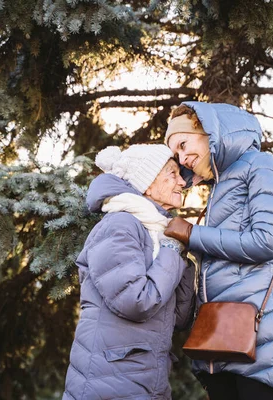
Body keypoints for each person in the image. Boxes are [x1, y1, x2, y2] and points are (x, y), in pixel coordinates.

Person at [164, 102, 273, 400]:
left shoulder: (262, 165)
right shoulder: (218, 187)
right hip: (217, 342)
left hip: (257, 344)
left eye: (184, 144)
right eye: (177, 154)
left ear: (209, 131)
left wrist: (192, 234)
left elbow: (265, 242)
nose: (183, 157)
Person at [63, 144, 195, 400]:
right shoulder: (120, 224)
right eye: (172, 173)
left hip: (145, 378)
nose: (182, 182)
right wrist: (171, 248)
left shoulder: (157, 231)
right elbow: (135, 301)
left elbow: (177, 317)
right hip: (111, 378)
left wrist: (185, 257)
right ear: (146, 182)